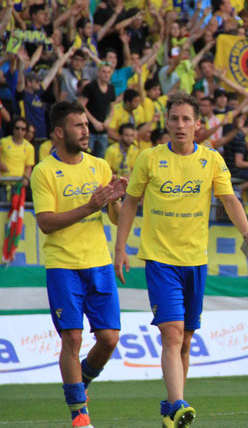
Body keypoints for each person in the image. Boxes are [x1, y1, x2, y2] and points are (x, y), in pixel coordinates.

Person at [113, 93, 248, 428]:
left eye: (186, 119)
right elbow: (131, 202)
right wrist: (120, 248)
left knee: (187, 339)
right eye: (174, 119)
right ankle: (179, 403)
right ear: (166, 122)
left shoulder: (211, 160)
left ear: (197, 125)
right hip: (160, 261)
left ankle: (170, 411)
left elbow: (230, 200)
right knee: (172, 333)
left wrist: (247, 233)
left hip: (196, 260)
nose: (180, 125)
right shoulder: (149, 159)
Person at [31, 101, 128, 428]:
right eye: (78, 125)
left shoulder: (99, 166)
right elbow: (46, 222)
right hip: (63, 266)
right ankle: (79, 414)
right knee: (71, 338)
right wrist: (90, 207)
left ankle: (80, 382)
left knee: (110, 338)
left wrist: (117, 199)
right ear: (59, 132)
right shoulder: (44, 171)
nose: (86, 130)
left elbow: (113, 217)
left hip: (98, 263)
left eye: (86, 124)